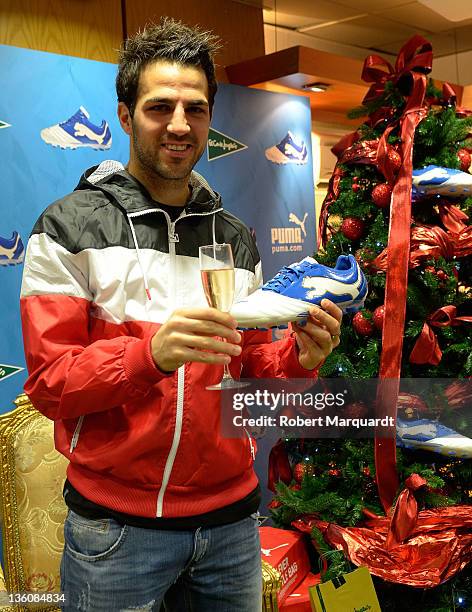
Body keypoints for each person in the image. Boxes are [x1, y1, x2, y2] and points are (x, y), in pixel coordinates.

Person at [20, 17, 342, 612]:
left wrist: (300, 356)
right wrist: (148, 356)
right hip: (117, 532)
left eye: (194, 108)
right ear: (124, 115)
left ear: (210, 119)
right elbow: (49, 383)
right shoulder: (67, 228)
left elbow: (248, 379)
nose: (178, 124)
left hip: (232, 527)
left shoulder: (237, 237)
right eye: (159, 106)